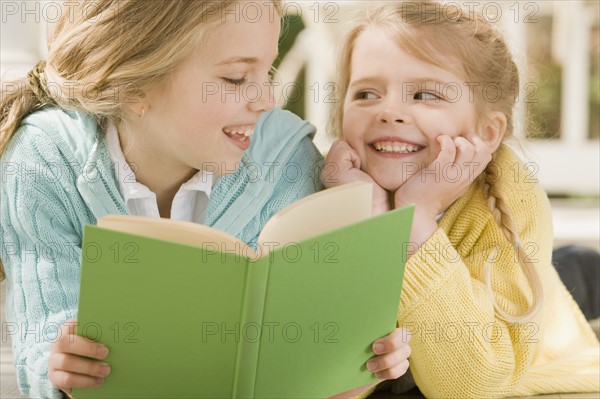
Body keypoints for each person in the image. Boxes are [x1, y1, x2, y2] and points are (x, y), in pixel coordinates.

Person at [0, 1, 410, 398]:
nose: (266, 100)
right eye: (236, 78)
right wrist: (62, 366)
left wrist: (355, 364)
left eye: (267, 71)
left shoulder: (286, 158)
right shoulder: (44, 161)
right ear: (134, 86)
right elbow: (44, 327)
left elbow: (305, 340)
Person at [322, 2, 600, 398]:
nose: (389, 112)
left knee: (575, 275)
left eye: (424, 94)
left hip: (522, 308)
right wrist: (370, 218)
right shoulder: (332, 182)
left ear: (486, 133)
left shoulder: (507, 196)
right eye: (366, 93)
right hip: (415, 363)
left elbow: (473, 386)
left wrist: (415, 220)